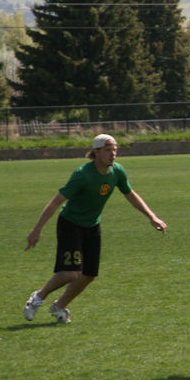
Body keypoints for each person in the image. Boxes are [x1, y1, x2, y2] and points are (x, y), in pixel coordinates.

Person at [23, 133, 167, 324]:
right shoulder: (82, 175)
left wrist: (152, 217)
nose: (113, 154)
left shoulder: (117, 171)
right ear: (96, 152)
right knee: (70, 273)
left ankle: (60, 306)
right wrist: (37, 230)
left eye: (115, 150)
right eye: (108, 150)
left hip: (92, 226)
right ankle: (37, 298)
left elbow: (130, 194)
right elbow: (56, 202)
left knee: (89, 275)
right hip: (70, 224)